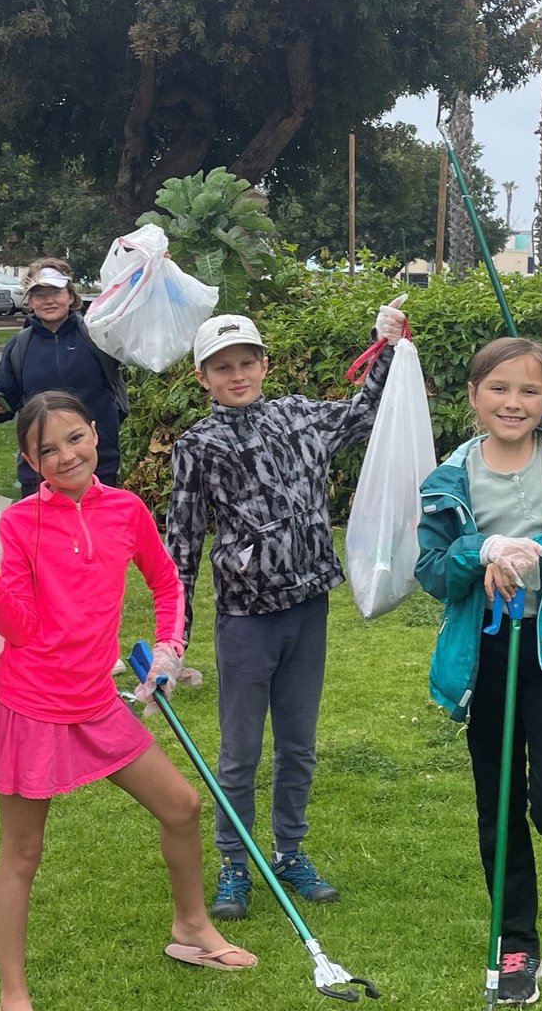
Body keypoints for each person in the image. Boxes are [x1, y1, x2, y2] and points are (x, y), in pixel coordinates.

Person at [0, 391, 255, 1011]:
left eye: (74, 439)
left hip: (96, 699)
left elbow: (166, 582)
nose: (65, 456)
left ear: (93, 433)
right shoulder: (16, 524)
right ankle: (12, 993)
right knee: (23, 851)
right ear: (30, 461)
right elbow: (22, 629)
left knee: (183, 806)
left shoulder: (126, 509)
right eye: (46, 450)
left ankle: (190, 927)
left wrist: (168, 649)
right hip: (31, 704)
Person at [165, 303, 406, 921]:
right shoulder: (198, 445)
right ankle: (233, 863)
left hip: (309, 608)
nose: (237, 375)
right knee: (239, 752)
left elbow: (363, 414)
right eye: (222, 368)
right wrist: (175, 637)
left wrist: (381, 346)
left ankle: (289, 851)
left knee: (298, 745)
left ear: (264, 364)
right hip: (246, 618)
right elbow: (184, 542)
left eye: (247, 362)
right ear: (203, 377)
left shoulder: (300, 416)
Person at [415, 338, 542, 1006]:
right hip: (489, 650)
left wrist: (540, 554)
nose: (514, 402)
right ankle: (516, 943)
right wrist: (484, 551)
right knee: (498, 800)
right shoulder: (450, 476)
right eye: (499, 388)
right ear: (472, 394)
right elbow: (432, 569)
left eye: (530, 391)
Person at [0, 257, 127, 498]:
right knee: (43, 536)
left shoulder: (99, 337)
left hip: (97, 466)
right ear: (30, 302)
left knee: (96, 534)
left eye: (56, 292)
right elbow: (6, 399)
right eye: (39, 294)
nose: (48, 300)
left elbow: (138, 319)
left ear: (70, 296)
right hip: (38, 472)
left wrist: (152, 270)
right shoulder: (19, 346)